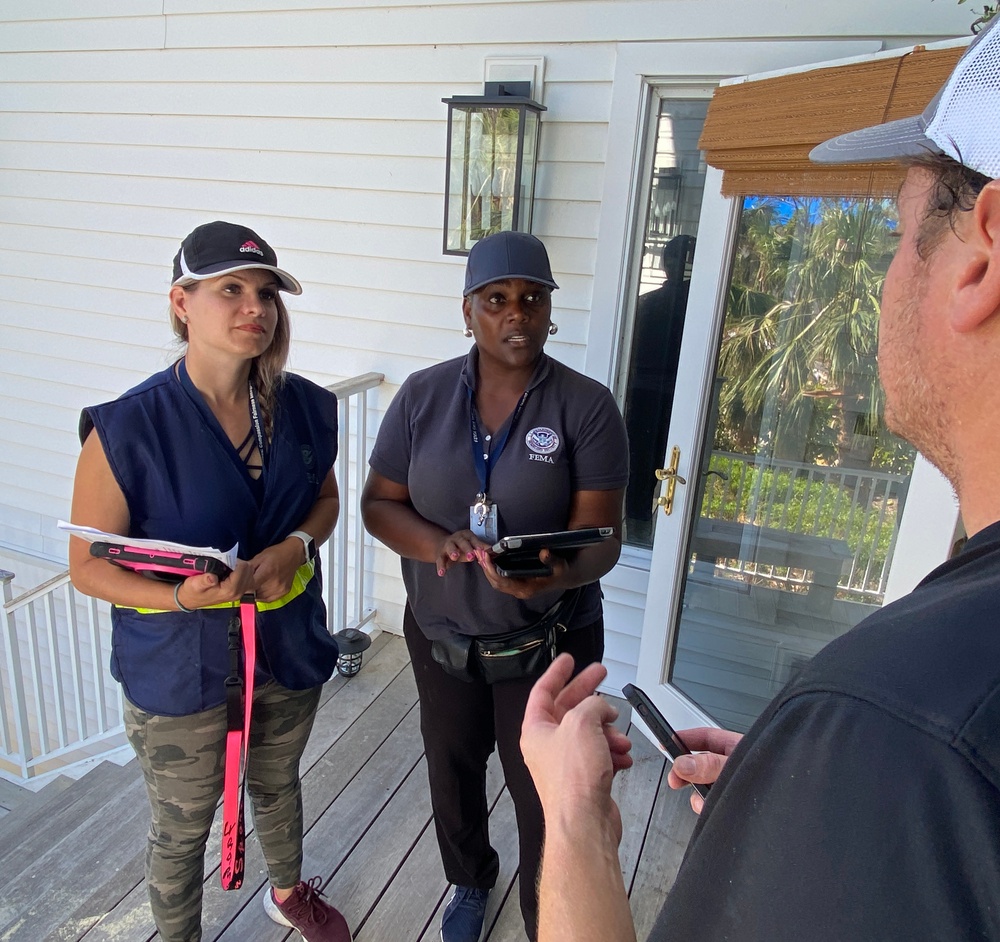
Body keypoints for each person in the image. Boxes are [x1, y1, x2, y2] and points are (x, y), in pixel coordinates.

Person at [521, 19, 1000, 942]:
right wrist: (813, 794)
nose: (890, 277)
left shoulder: (902, 727)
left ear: (979, 255)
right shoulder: (890, 749)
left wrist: (574, 821)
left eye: (902, 234)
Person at [68, 221, 351, 942]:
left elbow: (326, 501)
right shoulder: (127, 429)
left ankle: (286, 893)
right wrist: (175, 598)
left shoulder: (304, 409)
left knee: (278, 785)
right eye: (231, 289)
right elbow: (87, 567)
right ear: (181, 304)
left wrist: (296, 545)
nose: (254, 305)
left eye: (265, 292)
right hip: (180, 674)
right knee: (181, 828)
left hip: (285, 651)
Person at [360, 230, 629, 942]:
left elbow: (603, 537)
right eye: (497, 299)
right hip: (443, 637)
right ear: (469, 310)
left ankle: (551, 912)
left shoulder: (586, 408)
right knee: (452, 770)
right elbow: (377, 503)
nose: (517, 313)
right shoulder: (421, 398)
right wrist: (435, 541)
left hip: (546, 640)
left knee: (545, 789)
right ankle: (470, 880)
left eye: (532, 299)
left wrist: (552, 573)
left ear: (549, 312)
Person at [623, 234, 696, 545]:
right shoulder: (697, 310)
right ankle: (642, 541)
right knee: (651, 473)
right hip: (657, 398)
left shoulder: (649, 305)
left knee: (643, 475)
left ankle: (642, 538)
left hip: (649, 397)